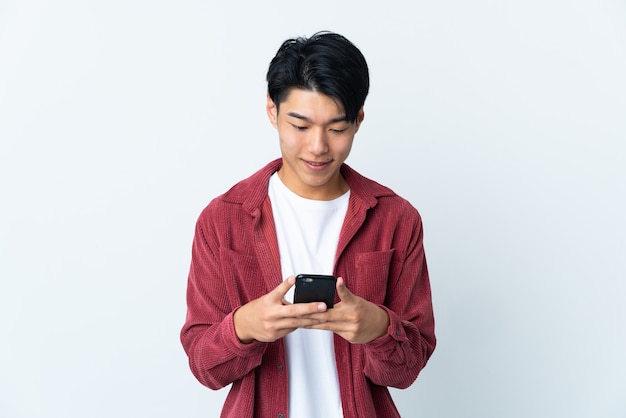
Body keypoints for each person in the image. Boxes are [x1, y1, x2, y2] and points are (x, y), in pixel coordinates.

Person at [180, 31, 436, 418]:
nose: (318, 146)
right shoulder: (223, 220)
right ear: (272, 111)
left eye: (336, 129)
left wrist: (378, 326)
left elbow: (405, 370)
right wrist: (245, 326)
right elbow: (205, 368)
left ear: (359, 120)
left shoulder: (396, 219)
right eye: (300, 126)